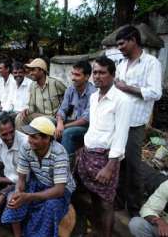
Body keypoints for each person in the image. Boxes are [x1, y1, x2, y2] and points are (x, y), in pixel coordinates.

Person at [76, 56, 132, 237]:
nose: (97, 76)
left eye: (102, 72)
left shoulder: (122, 100)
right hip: (88, 155)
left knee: (106, 201)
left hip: (106, 159)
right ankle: (98, 229)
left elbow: (121, 135)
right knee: (93, 195)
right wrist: (83, 147)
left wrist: (111, 165)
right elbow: (94, 127)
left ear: (113, 75)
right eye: (95, 72)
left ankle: (106, 234)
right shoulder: (93, 97)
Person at [114, 25, 162, 217]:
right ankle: (118, 201)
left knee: (133, 164)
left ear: (133, 40)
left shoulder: (151, 63)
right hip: (118, 119)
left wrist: (128, 88)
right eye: (117, 44)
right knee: (118, 161)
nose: (119, 48)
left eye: (122, 43)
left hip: (135, 122)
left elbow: (155, 92)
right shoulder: (121, 64)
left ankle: (134, 208)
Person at [1, 116, 75, 237]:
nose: (29, 140)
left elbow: (59, 190)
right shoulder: (26, 147)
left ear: (47, 139)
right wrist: (19, 192)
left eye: (34, 137)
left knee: (50, 207)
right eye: (29, 136)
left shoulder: (59, 153)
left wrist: (28, 197)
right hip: (39, 182)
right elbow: (21, 179)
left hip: (60, 189)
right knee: (14, 199)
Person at [55, 60, 96, 158]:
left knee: (67, 132)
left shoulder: (93, 93)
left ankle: (64, 164)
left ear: (86, 77)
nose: (73, 78)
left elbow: (85, 120)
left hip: (86, 127)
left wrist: (64, 126)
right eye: (72, 74)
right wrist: (60, 123)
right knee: (47, 122)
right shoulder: (70, 89)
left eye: (77, 75)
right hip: (69, 122)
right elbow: (62, 110)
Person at [15, 58, 66, 129]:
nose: (30, 73)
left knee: (41, 121)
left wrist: (62, 117)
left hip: (54, 118)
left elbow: (69, 97)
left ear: (41, 70)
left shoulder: (55, 83)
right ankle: (24, 139)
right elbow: (32, 107)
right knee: (19, 117)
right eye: (30, 70)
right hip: (40, 116)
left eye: (33, 70)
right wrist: (26, 111)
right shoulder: (32, 86)